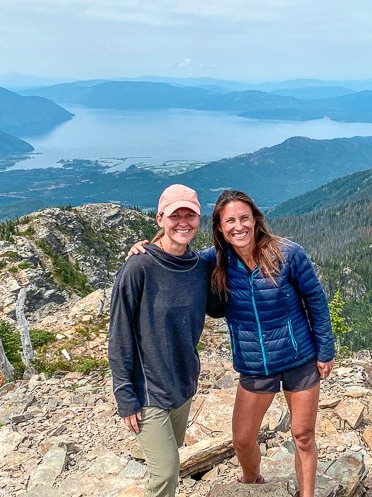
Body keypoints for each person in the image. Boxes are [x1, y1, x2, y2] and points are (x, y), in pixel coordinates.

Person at [128, 189, 335, 497]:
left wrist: (325, 350)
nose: (238, 227)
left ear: (255, 220)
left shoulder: (288, 253)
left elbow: (315, 300)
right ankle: (253, 483)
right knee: (242, 440)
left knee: (303, 435)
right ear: (220, 228)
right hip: (254, 366)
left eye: (244, 218)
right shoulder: (213, 261)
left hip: (299, 358)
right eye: (230, 221)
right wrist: (146, 248)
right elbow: (177, 260)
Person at [109, 184, 212, 497]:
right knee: (167, 472)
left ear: (198, 219)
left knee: (171, 454)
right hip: (147, 388)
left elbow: (220, 305)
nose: (182, 222)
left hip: (182, 383)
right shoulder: (138, 266)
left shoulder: (200, 267)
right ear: (159, 219)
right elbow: (119, 334)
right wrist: (125, 395)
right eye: (174, 215)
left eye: (189, 215)